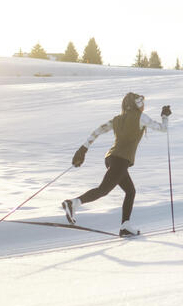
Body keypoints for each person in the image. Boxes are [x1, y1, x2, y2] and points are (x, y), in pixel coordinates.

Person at [61, 92, 171, 236]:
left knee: (130, 191)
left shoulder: (117, 119)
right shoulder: (140, 117)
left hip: (112, 158)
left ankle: (125, 226)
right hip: (120, 160)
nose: (143, 105)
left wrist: (84, 148)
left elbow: (97, 131)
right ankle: (73, 203)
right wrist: (165, 116)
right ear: (137, 104)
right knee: (103, 190)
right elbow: (163, 129)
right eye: (141, 102)